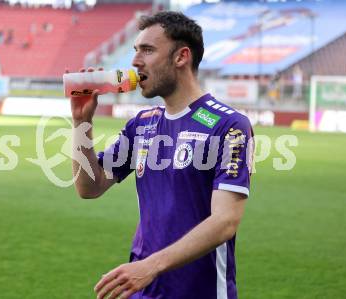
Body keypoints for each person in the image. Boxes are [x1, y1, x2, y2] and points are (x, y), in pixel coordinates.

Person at [70, 11, 254, 299]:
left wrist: (151, 266)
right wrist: (81, 123)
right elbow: (89, 187)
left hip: (199, 292)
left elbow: (225, 221)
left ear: (181, 57)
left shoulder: (230, 126)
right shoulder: (142, 123)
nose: (135, 61)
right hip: (142, 289)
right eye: (135, 50)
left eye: (148, 50)